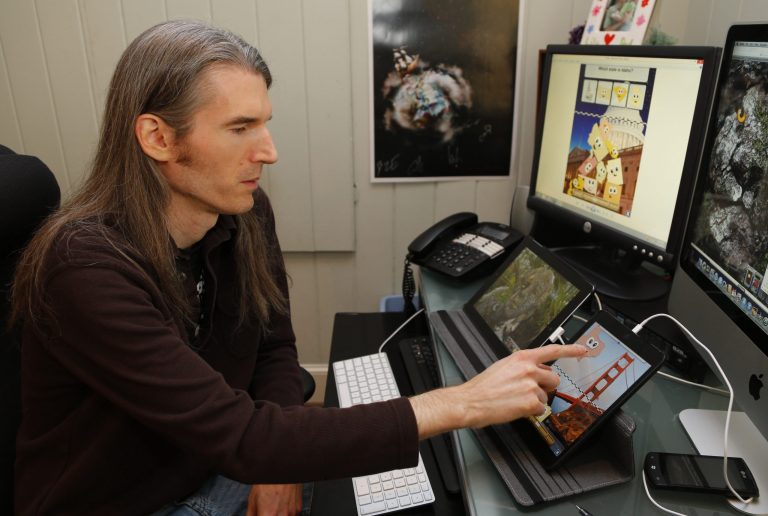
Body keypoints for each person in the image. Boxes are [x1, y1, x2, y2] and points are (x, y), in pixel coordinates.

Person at [8, 20, 587, 516]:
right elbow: (241, 434)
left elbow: (276, 351)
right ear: (158, 137)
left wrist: (274, 465)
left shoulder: (243, 209)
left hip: (221, 459)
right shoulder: (83, 268)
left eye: (264, 122)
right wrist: (462, 401)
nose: (268, 150)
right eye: (240, 128)